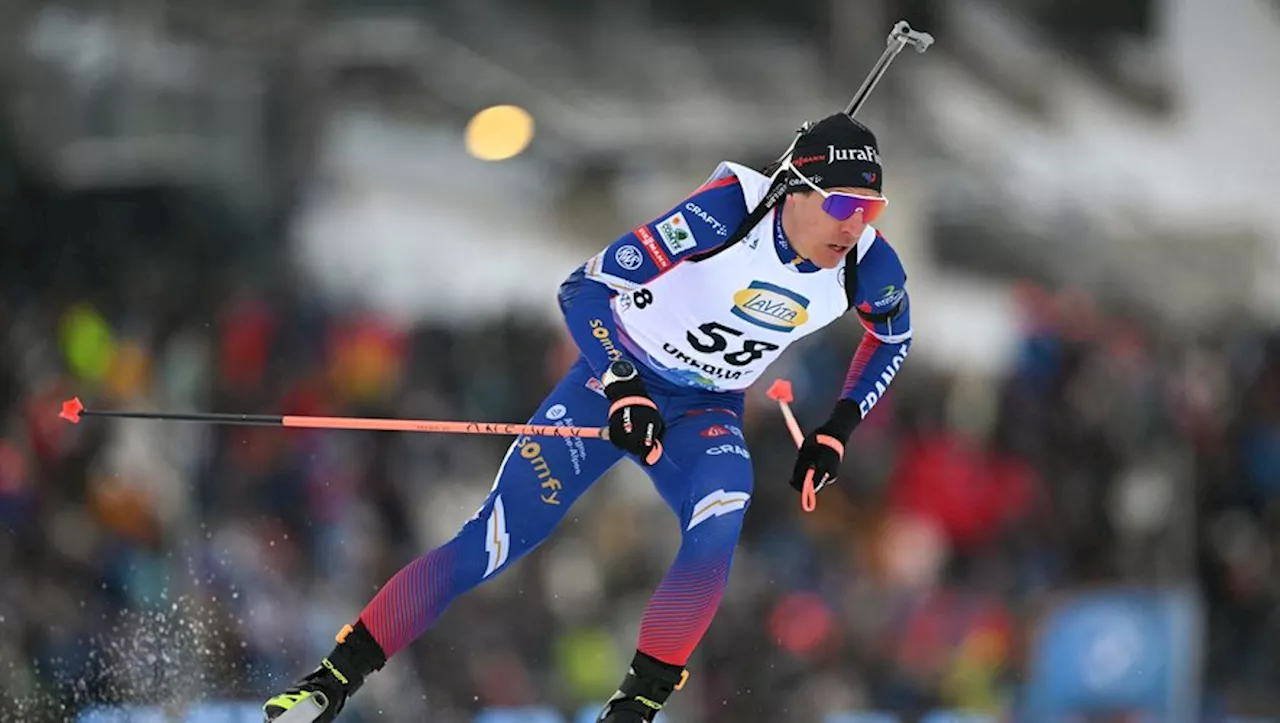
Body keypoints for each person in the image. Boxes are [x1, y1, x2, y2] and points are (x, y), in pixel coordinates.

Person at [262, 113, 913, 723]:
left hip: (705, 409)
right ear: (793, 189)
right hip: (612, 381)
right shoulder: (727, 215)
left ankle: (635, 707)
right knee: (493, 540)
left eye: (870, 209)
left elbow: (892, 337)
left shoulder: (868, 265)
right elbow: (584, 287)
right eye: (842, 205)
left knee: (722, 511)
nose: (854, 225)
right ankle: (327, 683)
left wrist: (837, 427)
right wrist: (624, 386)